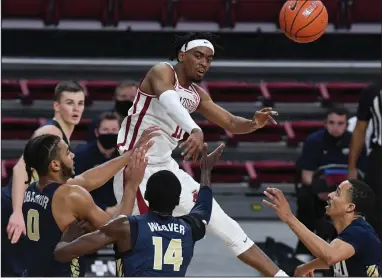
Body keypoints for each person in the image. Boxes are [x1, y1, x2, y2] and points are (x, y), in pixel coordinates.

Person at [113, 32, 286, 277]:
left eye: (209, 58)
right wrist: (194, 128)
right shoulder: (161, 72)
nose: (204, 62)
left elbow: (230, 121)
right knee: (141, 246)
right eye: (198, 56)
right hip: (134, 166)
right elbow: (169, 99)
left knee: (225, 223)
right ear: (182, 55)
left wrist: (254, 123)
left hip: (166, 168)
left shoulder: (197, 95)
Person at [54, 143, 222, 276]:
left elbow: (62, 254)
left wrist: (67, 237)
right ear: (177, 201)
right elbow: (204, 207)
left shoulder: (126, 227)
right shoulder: (190, 228)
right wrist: (206, 173)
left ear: (146, 196)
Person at [20, 127, 158, 277]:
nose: (72, 155)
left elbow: (87, 179)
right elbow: (118, 231)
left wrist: (129, 156)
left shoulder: (32, 189)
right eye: (67, 152)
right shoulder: (71, 196)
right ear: (55, 165)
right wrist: (131, 186)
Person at [1, 80, 86, 276]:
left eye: (80, 103)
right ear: (56, 106)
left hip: (28, 203)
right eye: (69, 102)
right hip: (12, 204)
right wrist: (16, 213)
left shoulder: (61, 133)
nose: (76, 109)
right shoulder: (51, 132)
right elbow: (20, 168)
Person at [263, 180, 381, 277]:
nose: (330, 195)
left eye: (337, 193)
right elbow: (336, 259)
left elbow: (330, 256)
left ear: (350, 207)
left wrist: (289, 217)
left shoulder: (359, 232)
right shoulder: (349, 232)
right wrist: (306, 267)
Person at [295, 106, 367, 260]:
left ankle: (354, 246)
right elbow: (307, 176)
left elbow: (358, 175)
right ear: (325, 123)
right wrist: (325, 193)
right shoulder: (314, 141)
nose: (336, 127)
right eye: (332, 122)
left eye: (340, 123)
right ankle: (304, 247)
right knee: (304, 198)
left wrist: (341, 196)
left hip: (345, 191)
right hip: (320, 190)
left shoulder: (356, 142)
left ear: (347, 125)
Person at [348, 80, 382, 239]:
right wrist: (352, 167)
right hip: (379, 156)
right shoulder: (372, 91)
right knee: (375, 211)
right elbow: (359, 130)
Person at [75, 112, 121, 212]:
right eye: (105, 130)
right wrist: (104, 209)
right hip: (90, 212)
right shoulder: (81, 155)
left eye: (114, 130)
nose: (110, 133)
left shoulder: (123, 155)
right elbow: (77, 191)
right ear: (97, 132)